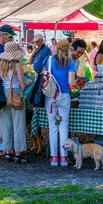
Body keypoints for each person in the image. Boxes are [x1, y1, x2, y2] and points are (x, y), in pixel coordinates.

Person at [0, 41, 32, 163]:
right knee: (18, 123)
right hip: (16, 94)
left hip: (3, 96)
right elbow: (22, 84)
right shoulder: (17, 66)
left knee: (6, 124)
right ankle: (18, 153)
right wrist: (28, 82)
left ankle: (7, 151)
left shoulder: (0, 65)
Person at [43, 39, 76, 167]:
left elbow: (45, 76)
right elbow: (72, 82)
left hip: (51, 97)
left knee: (52, 128)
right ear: (68, 49)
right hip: (64, 96)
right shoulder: (70, 62)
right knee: (63, 127)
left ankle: (54, 158)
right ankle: (63, 158)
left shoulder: (49, 60)